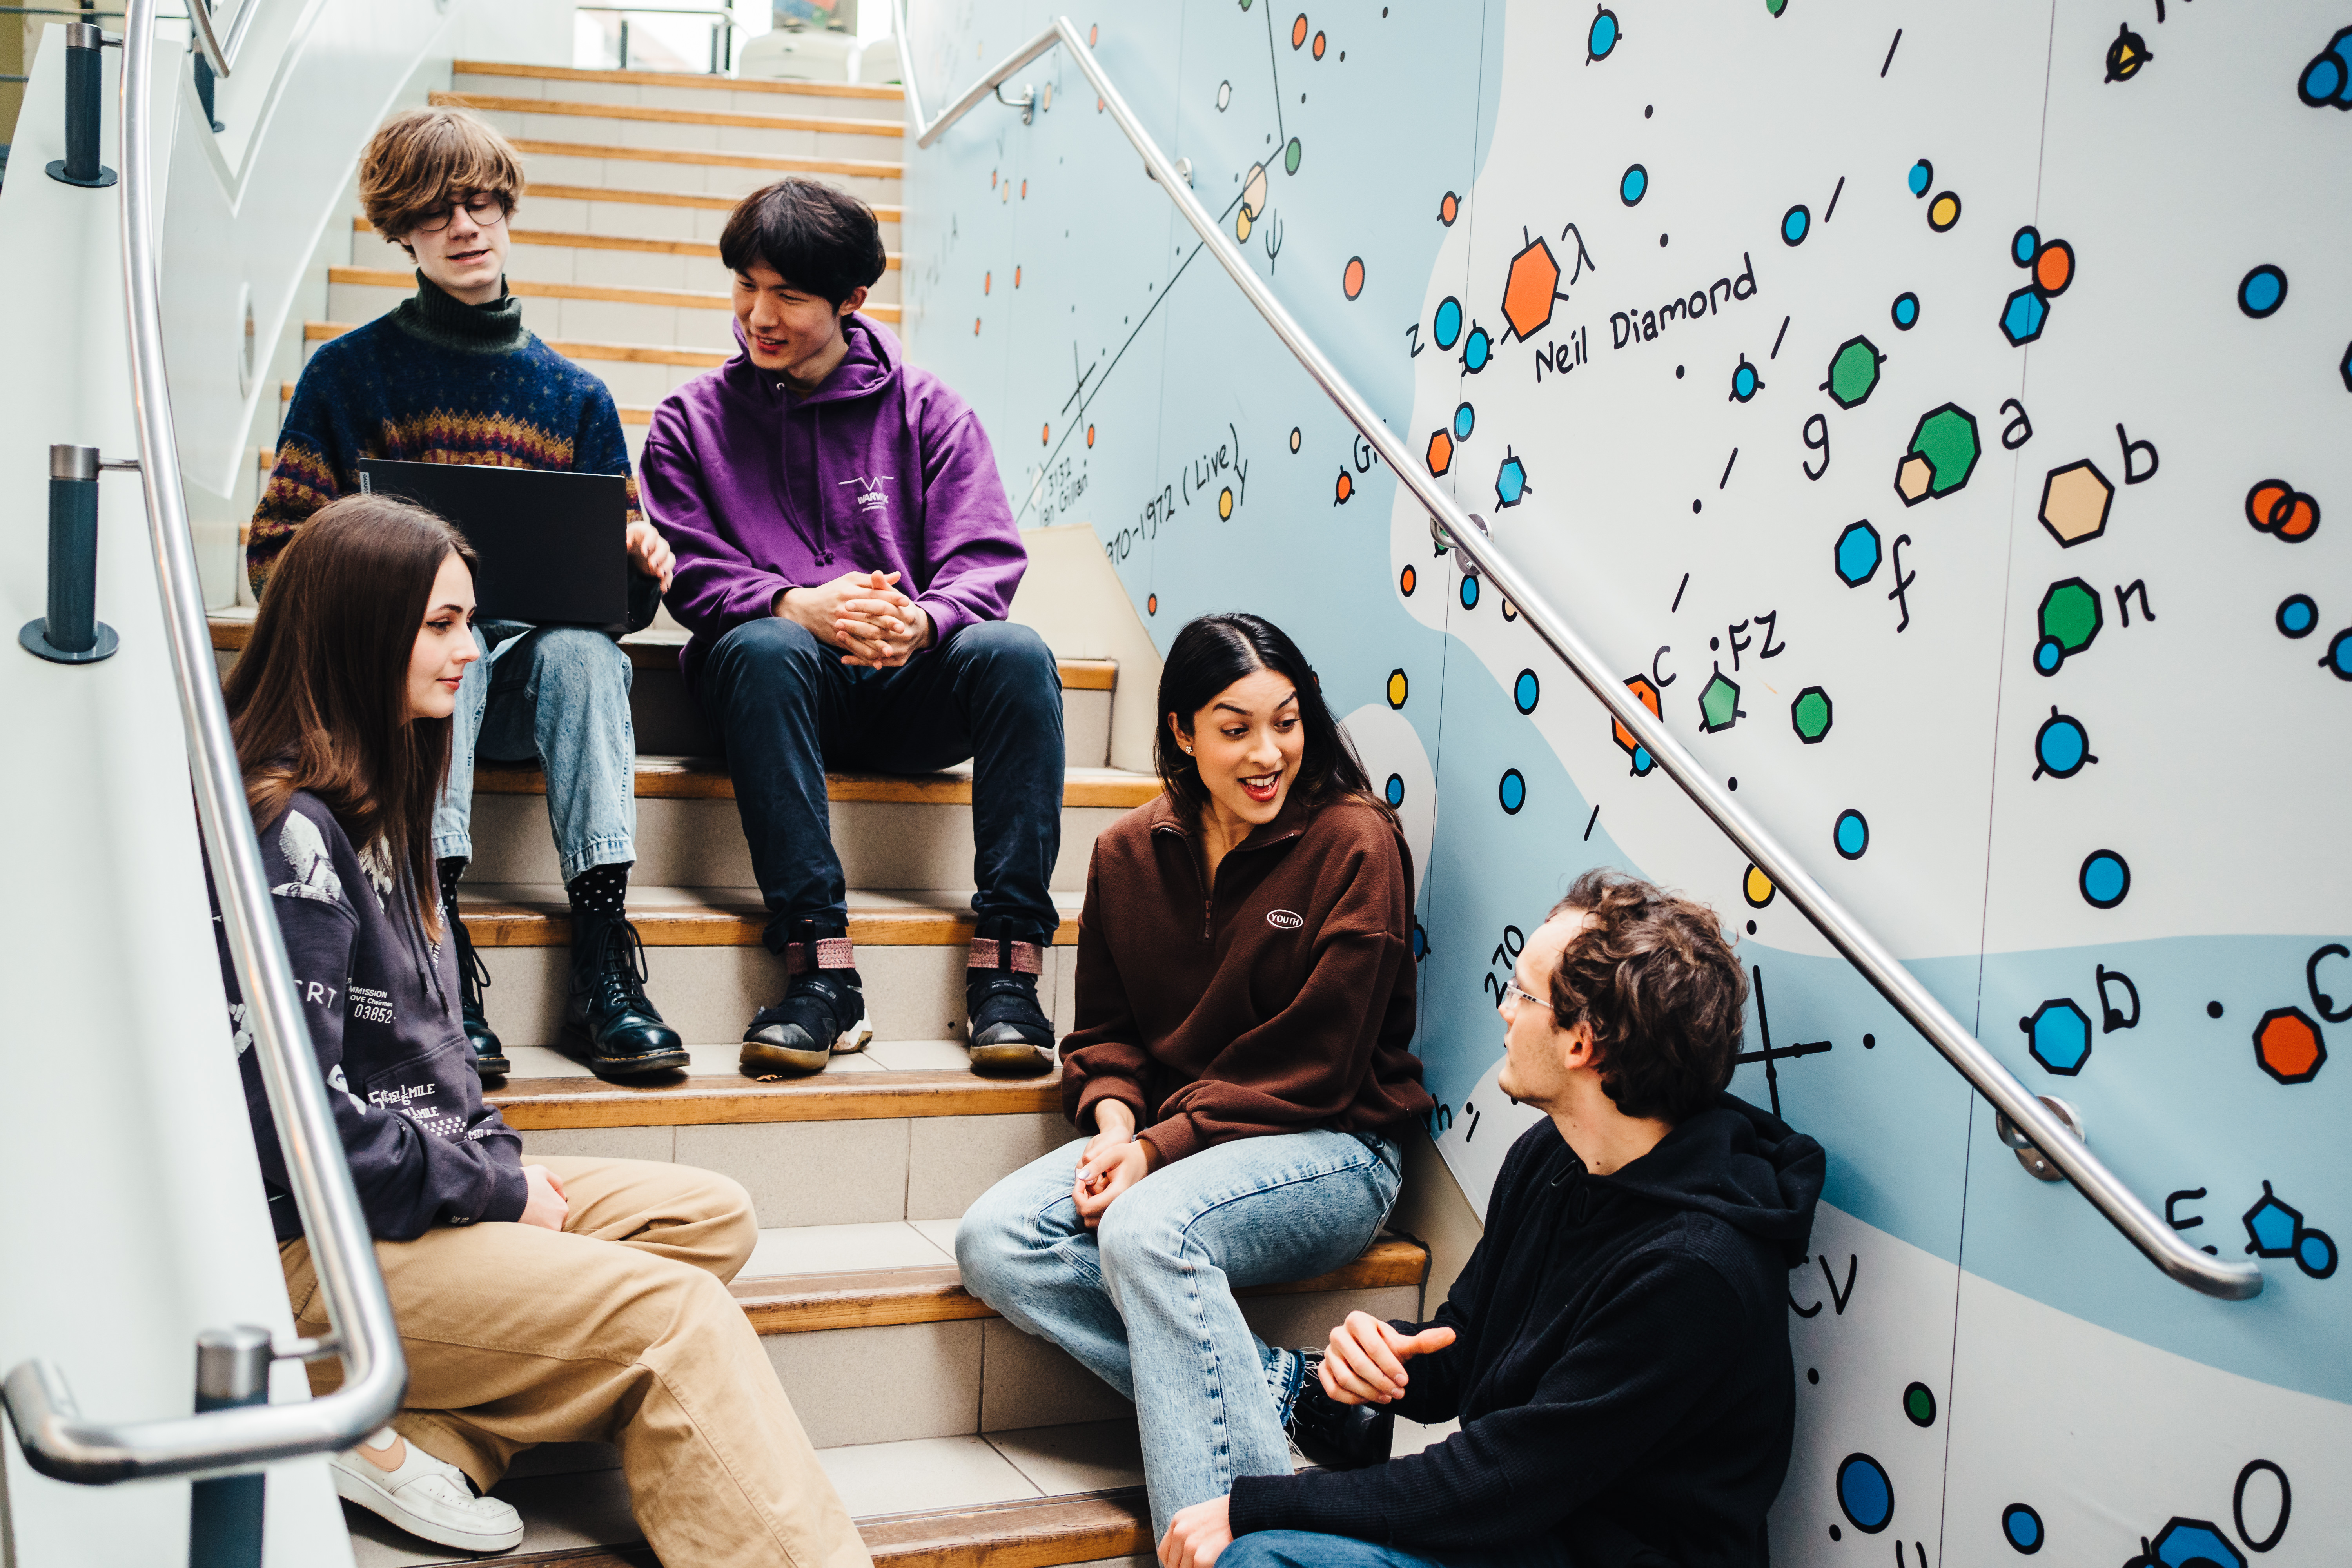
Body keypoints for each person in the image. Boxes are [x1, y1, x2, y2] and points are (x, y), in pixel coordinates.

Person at [214, 494, 870, 1567]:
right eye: (441, 625)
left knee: (710, 1217)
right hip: (308, 1248)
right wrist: (495, 1194)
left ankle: (412, 1437)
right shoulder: (290, 832)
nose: (472, 651)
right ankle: (350, 1393)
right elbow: (291, 1131)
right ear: (356, 629)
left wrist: (494, 1171)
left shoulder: (384, 800)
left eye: (468, 621)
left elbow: (434, 1074)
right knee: (676, 1318)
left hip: (393, 1200)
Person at [1155, 871, 1827, 1568]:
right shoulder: (1553, 1156)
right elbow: (1471, 1347)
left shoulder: (1694, 1272)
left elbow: (1495, 1482)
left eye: (1523, 995)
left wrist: (1254, 1504)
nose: (1505, 1012)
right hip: (1525, 1528)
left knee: (1260, 1557)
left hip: (1569, 1542)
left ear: (1582, 1042)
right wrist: (1390, 1360)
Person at [955, 613, 1436, 1541]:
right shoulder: (1127, 851)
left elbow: (1319, 1062)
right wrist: (1110, 1127)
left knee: (1144, 1228)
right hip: (1170, 1143)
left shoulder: (1356, 841)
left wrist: (1156, 1148)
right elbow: (1107, 1032)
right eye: (1235, 727)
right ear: (1180, 730)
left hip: (1336, 1143)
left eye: (1288, 722)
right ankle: (1288, 1388)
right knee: (995, 1239)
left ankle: (1255, 1547)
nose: (1269, 754)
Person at [249, 106, 684, 1083]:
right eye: (436, 211)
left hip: (531, 687)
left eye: (483, 201)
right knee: (463, 632)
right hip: (399, 683)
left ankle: (604, 958)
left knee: (582, 651)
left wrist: (633, 557)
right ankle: (431, 940)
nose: (466, 225)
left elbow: (620, 614)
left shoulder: (574, 395)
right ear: (400, 230)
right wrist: (400, 595)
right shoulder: (347, 374)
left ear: (508, 207)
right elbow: (277, 554)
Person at [639, 176, 1065, 1080]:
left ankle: (1009, 969)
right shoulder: (688, 422)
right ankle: (820, 975)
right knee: (761, 643)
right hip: (777, 690)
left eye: (788, 294)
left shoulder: (929, 410)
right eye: (745, 286)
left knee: (1015, 652)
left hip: (908, 690)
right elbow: (690, 570)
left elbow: (986, 558)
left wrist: (924, 620)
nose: (759, 313)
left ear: (852, 301)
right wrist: (796, 602)